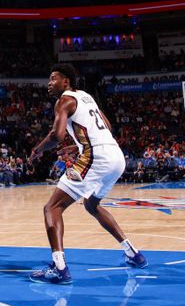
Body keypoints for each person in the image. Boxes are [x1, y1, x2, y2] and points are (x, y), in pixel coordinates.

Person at [29, 64, 146, 285]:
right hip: (116, 156)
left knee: (52, 208)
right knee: (92, 205)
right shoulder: (87, 97)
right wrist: (81, 144)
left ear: (66, 82)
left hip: (97, 158)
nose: (49, 83)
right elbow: (107, 126)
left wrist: (38, 149)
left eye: (53, 78)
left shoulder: (63, 100)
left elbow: (57, 134)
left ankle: (59, 268)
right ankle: (133, 253)